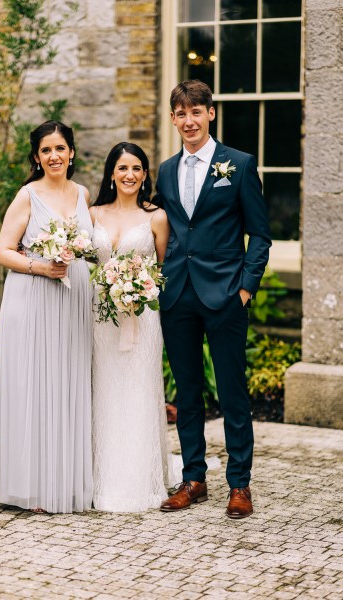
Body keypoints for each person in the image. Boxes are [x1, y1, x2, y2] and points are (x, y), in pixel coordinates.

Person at [154, 80, 272, 518]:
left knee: (233, 392)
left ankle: (239, 485)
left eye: (196, 112)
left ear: (211, 114)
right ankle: (194, 479)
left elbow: (259, 234)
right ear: (172, 119)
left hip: (225, 295)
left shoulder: (238, 165)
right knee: (187, 392)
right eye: (181, 114)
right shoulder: (165, 171)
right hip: (178, 294)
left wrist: (244, 288)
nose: (189, 121)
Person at [0, 120, 93, 513]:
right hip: (34, 296)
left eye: (60, 148)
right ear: (36, 157)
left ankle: (65, 480)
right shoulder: (27, 196)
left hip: (73, 302)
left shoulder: (84, 194)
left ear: (72, 152)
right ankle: (33, 486)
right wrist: (39, 267)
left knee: (67, 384)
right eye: (46, 150)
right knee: (36, 385)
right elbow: (3, 251)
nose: (54, 156)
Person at [89, 142, 170, 512]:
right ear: (111, 173)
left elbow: (162, 272)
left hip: (142, 319)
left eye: (137, 168)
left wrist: (139, 288)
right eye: (122, 168)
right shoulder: (92, 214)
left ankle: (140, 481)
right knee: (103, 390)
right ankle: (99, 476)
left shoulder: (156, 217)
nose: (130, 175)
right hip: (101, 318)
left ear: (145, 174)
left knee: (138, 391)